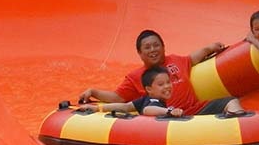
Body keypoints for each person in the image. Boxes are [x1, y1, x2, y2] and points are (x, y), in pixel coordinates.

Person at [77, 30, 247, 116]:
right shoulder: (137, 77)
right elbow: (117, 98)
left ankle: (240, 130)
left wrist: (211, 47)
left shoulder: (177, 61)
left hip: (195, 110)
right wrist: (93, 92)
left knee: (231, 102)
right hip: (167, 118)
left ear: (164, 47)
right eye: (147, 47)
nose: (153, 50)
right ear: (140, 53)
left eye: (156, 45)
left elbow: (195, 56)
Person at [79, 66, 187, 117]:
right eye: (161, 84)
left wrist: (97, 108)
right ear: (149, 89)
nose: (167, 86)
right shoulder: (154, 101)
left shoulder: (145, 98)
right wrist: (168, 111)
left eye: (168, 82)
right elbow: (148, 109)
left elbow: (125, 107)